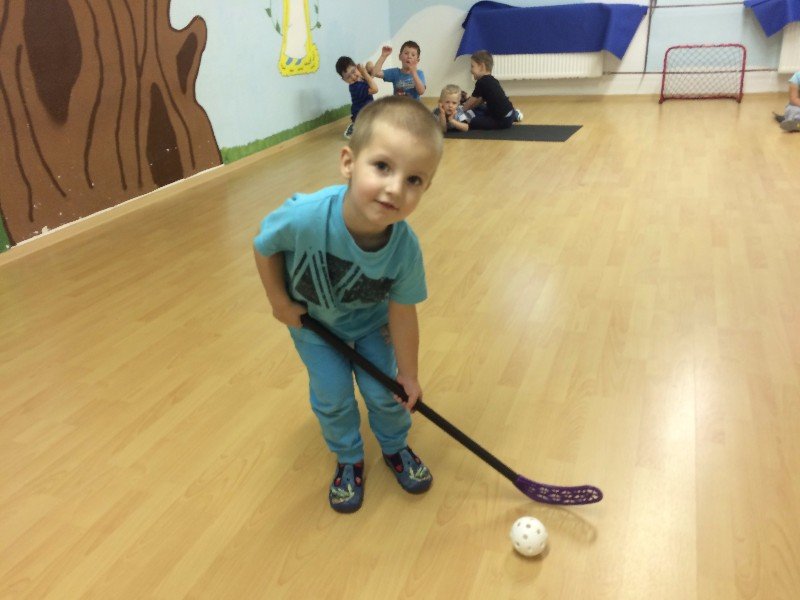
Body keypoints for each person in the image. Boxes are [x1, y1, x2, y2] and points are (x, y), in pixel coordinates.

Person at [253, 96, 442, 513]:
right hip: (315, 327)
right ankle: (349, 458)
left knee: (385, 393)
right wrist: (279, 302)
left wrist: (409, 376)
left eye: (414, 179)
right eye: (382, 167)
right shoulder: (305, 216)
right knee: (333, 396)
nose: (395, 188)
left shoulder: (405, 248)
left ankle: (395, 446)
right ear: (348, 163)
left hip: (372, 324)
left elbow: (403, 311)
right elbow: (264, 246)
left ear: (425, 189)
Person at [461, 50, 522, 130]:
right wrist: (471, 106)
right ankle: (515, 115)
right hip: (509, 113)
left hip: (501, 121)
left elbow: (470, 103)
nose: (471, 70)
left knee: (472, 121)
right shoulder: (492, 80)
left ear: (482, 67)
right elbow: (479, 101)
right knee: (481, 107)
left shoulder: (481, 82)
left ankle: (512, 117)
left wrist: (460, 110)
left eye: (472, 66)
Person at [336, 56, 378, 139]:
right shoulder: (355, 87)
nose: (353, 77)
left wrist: (383, 56)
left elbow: (374, 72)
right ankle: (354, 127)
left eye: (353, 71)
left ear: (356, 67)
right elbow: (375, 89)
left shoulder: (361, 77)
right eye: (348, 77)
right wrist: (364, 72)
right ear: (344, 80)